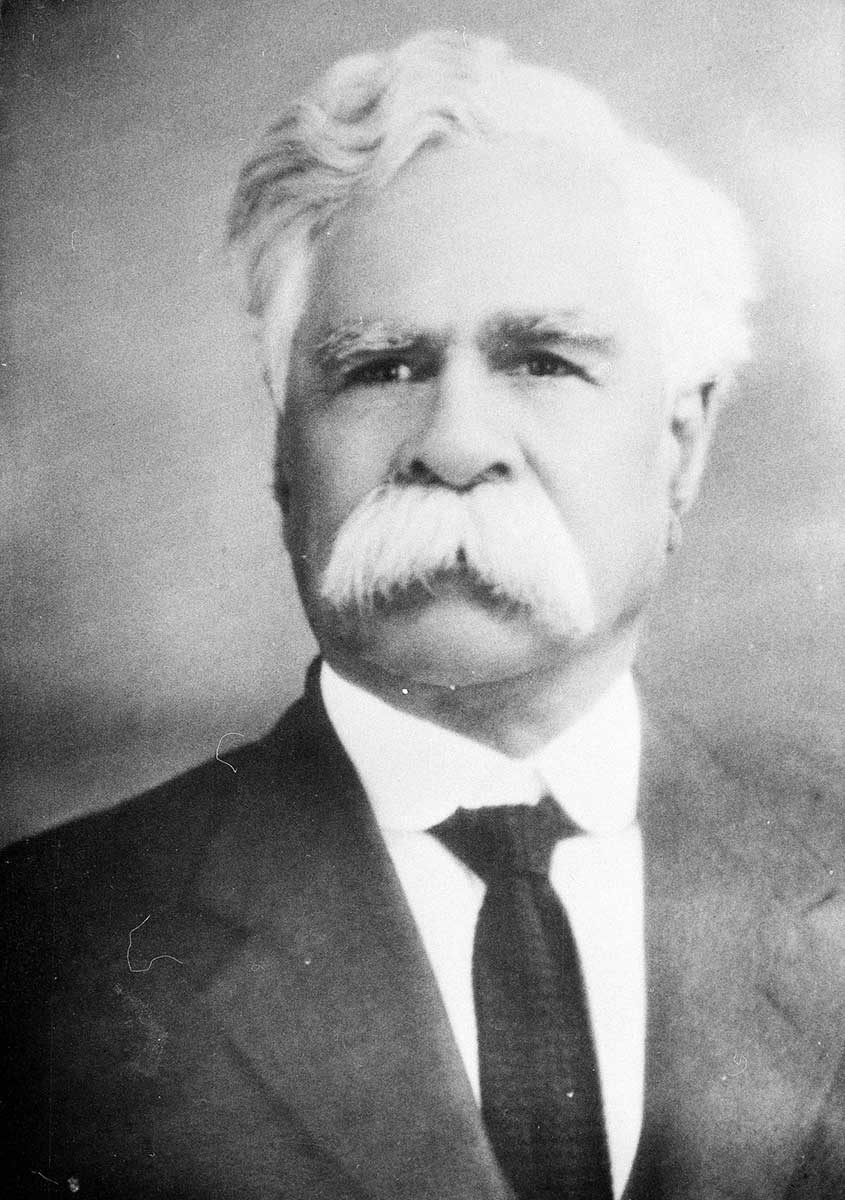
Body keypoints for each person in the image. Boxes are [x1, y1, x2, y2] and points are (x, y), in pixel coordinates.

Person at [3, 29, 844, 1200]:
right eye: (380, 368)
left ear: (680, 448)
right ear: (283, 457)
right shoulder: (37, 946)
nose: (451, 444)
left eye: (543, 361)